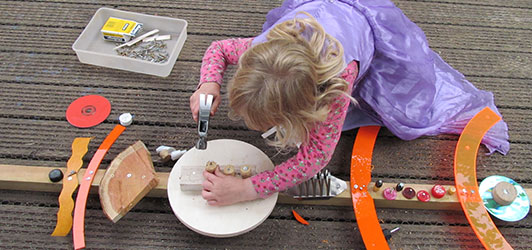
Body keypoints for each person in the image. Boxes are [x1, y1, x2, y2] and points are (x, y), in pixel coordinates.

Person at [189, 0, 510, 206]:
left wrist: (248, 190)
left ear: (307, 111)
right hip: (325, 17)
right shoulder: (262, 50)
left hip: (360, 35)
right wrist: (209, 81)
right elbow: (218, 49)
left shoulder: (335, 87)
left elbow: (313, 159)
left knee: (406, 114)